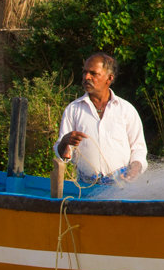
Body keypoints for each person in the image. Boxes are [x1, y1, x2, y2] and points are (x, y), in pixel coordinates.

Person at [55, 52, 148, 184]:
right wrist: (64, 142)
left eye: (93, 73)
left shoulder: (126, 110)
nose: (86, 77)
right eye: (85, 72)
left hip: (121, 187)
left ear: (109, 78)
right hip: (86, 188)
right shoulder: (73, 109)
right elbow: (63, 154)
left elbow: (138, 149)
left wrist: (135, 169)